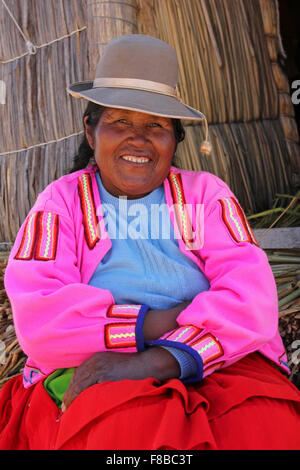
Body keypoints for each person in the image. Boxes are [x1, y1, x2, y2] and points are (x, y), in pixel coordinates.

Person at [0, 34, 300, 451]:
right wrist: (158, 323)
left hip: (213, 355)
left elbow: (252, 301)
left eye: (155, 125)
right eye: (120, 121)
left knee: (266, 425)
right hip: (101, 359)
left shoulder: (206, 196)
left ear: (175, 137)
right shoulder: (60, 205)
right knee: (124, 433)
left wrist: (157, 358)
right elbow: (41, 316)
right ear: (91, 131)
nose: (137, 139)